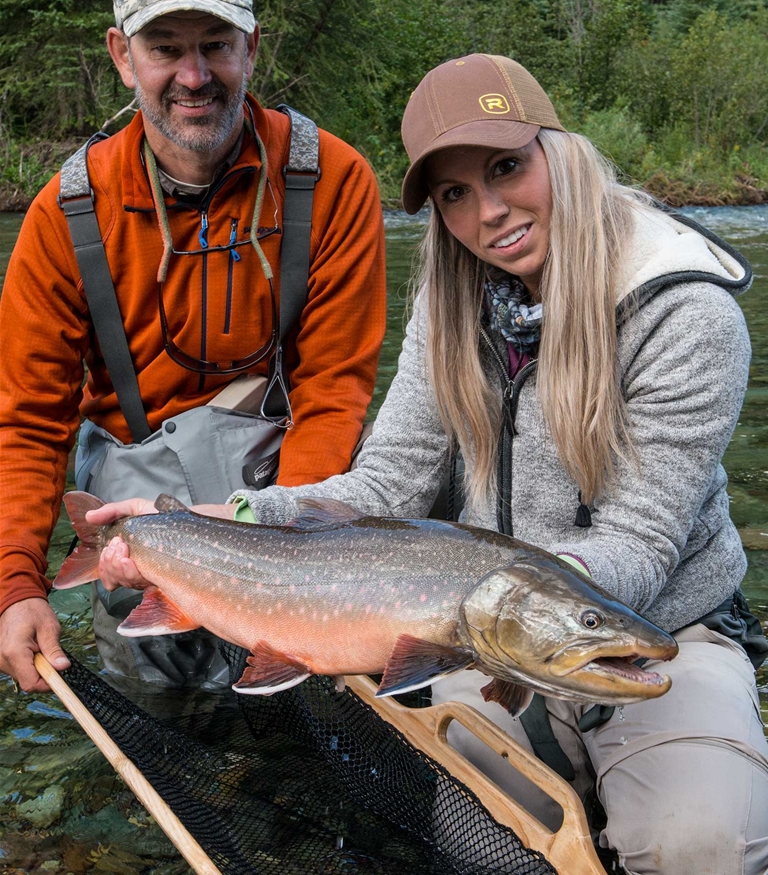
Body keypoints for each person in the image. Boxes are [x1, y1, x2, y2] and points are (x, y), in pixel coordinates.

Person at [86, 53, 768, 874]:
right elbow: (382, 488)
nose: (489, 212)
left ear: (562, 151)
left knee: (702, 846)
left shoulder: (687, 313)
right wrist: (229, 519)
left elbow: (645, 544)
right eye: (453, 194)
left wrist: (520, 611)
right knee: (480, 848)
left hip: (659, 624)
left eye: (507, 167)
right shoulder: (449, 306)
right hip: (471, 640)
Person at [0, 0, 386, 695]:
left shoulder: (332, 179)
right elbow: (28, 422)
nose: (193, 75)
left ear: (251, 47)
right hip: (132, 499)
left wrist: (287, 557)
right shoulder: (67, 212)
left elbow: (335, 392)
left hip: (286, 488)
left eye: (215, 44)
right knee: (163, 699)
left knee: (322, 690)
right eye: (164, 47)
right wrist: (18, 585)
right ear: (121, 55)